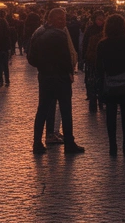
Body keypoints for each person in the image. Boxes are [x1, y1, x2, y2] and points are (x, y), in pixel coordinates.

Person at [28, 8, 84, 153]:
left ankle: (37, 143)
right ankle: (69, 144)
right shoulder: (59, 34)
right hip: (60, 78)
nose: (63, 22)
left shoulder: (38, 32)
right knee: (65, 110)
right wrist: (69, 72)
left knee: (42, 110)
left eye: (64, 19)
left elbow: (31, 58)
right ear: (51, 19)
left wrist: (42, 66)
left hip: (45, 77)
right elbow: (65, 58)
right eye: (60, 19)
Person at [97, 14, 125, 157]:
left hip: (109, 84)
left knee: (111, 116)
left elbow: (99, 67)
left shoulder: (102, 44)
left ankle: (112, 147)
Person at [82, 11, 106, 114]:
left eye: (102, 19)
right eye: (98, 19)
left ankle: (101, 101)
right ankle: (93, 102)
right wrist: (84, 57)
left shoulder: (106, 29)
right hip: (91, 60)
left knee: (101, 81)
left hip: (102, 61)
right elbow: (84, 44)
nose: (100, 21)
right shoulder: (90, 30)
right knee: (92, 82)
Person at [0, 9, 13, 86]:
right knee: (5, 65)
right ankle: (7, 81)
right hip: (5, 46)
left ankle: (1, 81)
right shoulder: (5, 22)